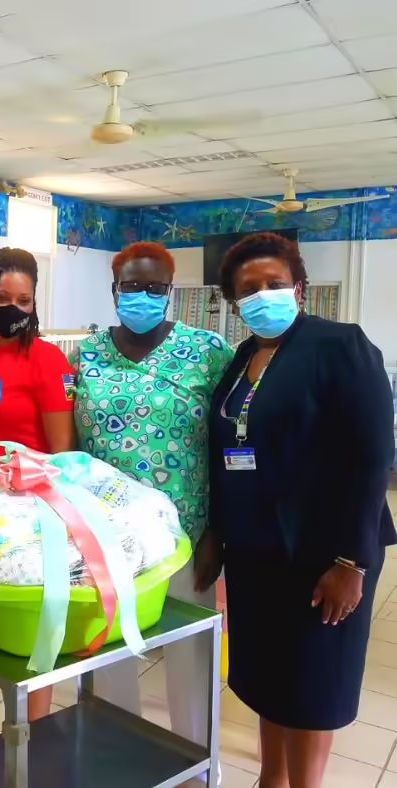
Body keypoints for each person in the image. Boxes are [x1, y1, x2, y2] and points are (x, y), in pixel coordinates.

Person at [195, 232, 396, 788]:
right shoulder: (242, 358)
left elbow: (372, 458)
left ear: (299, 290)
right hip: (257, 553)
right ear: (235, 304)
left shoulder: (340, 346)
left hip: (323, 554)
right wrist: (219, 532)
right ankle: (270, 780)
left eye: (274, 285)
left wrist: (352, 562)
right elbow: (226, 448)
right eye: (248, 290)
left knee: (311, 685)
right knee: (267, 679)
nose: (262, 296)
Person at [69, 242, 233, 780]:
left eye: (155, 287)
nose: (142, 296)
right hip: (104, 538)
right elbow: (73, 445)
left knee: (190, 656)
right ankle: (119, 760)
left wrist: (219, 534)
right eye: (131, 286)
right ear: (114, 290)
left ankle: (194, 768)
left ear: (171, 290)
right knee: (109, 655)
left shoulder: (208, 351)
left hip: (185, 535)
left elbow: (229, 444)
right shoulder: (87, 354)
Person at [0, 247, 75, 719]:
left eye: (24, 300)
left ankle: (32, 737)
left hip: (24, 515)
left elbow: (62, 454)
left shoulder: (46, 360)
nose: (13, 308)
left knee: (27, 634)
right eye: (2, 296)